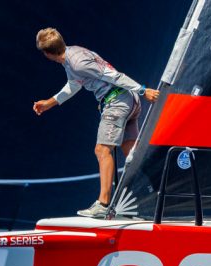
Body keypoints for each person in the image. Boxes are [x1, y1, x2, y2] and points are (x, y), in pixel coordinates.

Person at [33, 28, 159, 218]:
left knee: (102, 150)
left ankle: (103, 204)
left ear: (47, 54)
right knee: (131, 152)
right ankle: (155, 194)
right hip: (127, 101)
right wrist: (48, 103)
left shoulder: (77, 63)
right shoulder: (73, 54)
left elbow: (113, 75)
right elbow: (74, 85)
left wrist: (143, 90)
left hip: (117, 101)